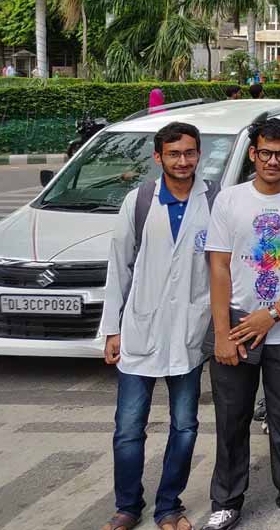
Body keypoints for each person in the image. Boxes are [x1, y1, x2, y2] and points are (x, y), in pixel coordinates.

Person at [203, 118, 280, 530]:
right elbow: (218, 267)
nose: (273, 161)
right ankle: (226, 501)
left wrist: (272, 313)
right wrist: (222, 333)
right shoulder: (229, 200)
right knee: (231, 420)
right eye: (265, 153)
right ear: (253, 154)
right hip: (238, 326)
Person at [100, 123, 219, 530]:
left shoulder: (214, 202)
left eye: (189, 153)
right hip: (140, 330)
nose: (182, 161)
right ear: (158, 157)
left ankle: (169, 505)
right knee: (129, 430)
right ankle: (127, 506)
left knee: (185, 426)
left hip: (188, 334)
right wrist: (112, 330)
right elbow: (119, 268)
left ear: (198, 155)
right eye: (174, 154)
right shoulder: (139, 201)